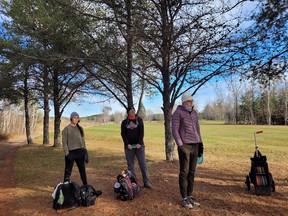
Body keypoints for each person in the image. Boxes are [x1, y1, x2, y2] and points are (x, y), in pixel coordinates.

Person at [172, 92, 203, 209]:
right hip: (185, 145)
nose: (191, 103)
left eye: (192, 101)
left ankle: (190, 195)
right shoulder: (178, 113)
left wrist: (200, 144)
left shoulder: (194, 113)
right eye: (189, 101)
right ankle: (184, 197)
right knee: (184, 172)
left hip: (195, 145)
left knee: (192, 172)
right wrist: (180, 145)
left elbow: (197, 128)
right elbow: (174, 130)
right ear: (184, 102)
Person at [121, 106, 152, 189]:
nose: (133, 111)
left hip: (139, 146)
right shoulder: (124, 122)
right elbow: (123, 134)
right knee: (130, 165)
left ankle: (146, 182)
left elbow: (141, 132)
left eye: (133, 110)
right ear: (128, 112)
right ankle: (133, 183)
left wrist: (139, 143)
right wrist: (127, 144)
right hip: (129, 147)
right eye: (131, 110)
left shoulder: (139, 120)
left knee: (143, 164)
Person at [62, 112, 88, 185]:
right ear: (71, 119)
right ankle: (65, 188)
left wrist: (85, 151)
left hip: (80, 152)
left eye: (77, 117)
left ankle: (85, 186)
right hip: (71, 153)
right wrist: (67, 154)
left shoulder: (80, 128)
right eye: (74, 117)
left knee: (82, 171)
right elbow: (64, 142)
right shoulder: (66, 129)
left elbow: (83, 140)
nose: (76, 119)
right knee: (68, 172)